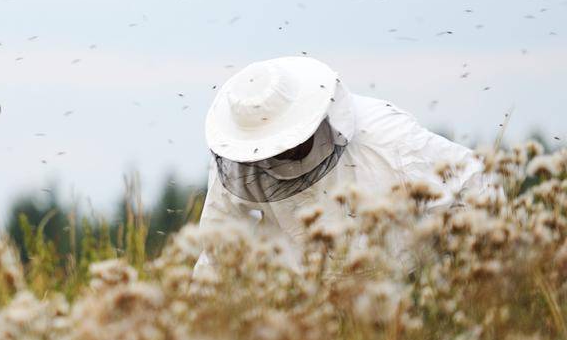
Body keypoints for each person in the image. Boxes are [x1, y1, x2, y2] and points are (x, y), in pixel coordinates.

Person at [197, 55, 489, 267]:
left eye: (282, 147)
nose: (276, 158)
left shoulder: (388, 137)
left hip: (404, 296)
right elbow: (215, 253)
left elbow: (473, 183)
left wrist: (468, 274)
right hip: (304, 314)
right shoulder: (240, 159)